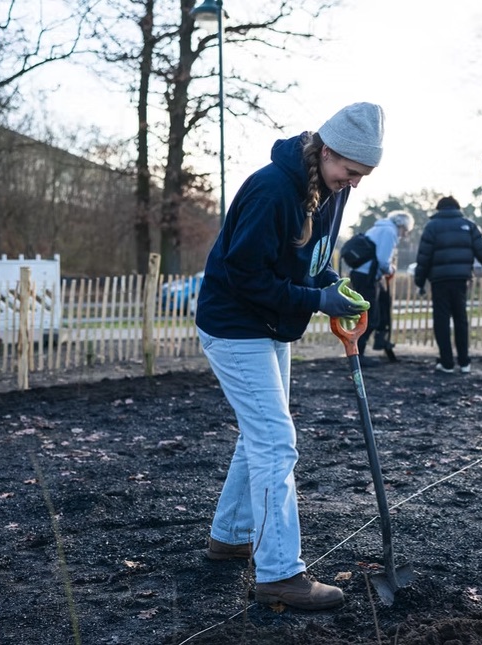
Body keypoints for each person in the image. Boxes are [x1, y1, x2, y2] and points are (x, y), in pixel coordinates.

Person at [194, 102, 385, 611]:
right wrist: (315, 300)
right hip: (235, 325)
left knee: (259, 434)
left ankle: (230, 536)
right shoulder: (271, 189)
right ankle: (279, 574)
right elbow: (246, 276)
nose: (354, 182)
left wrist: (331, 287)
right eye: (350, 170)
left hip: (271, 324)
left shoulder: (333, 191)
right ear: (326, 151)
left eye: (363, 175)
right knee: (276, 443)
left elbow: (309, 260)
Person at [414, 196, 482, 374]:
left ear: (439, 209)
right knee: (461, 319)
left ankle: (446, 363)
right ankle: (464, 362)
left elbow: (424, 257)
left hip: (439, 281)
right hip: (461, 279)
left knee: (442, 320)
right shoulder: (468, 225)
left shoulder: (432, 227)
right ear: (457, 208)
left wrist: (420, 282)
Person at [347, 210, 414, 366]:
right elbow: (383, 260)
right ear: (401, 225)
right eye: (406, 231)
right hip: (367, 277)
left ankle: (380, 340)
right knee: (370, 316)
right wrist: (391, 269)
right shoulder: (390, 232)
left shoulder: (380, 228)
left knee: (382, 306)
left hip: (366, 275)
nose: (405, 235)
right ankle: (357, 354)